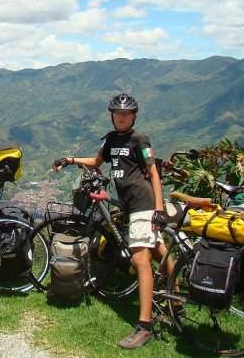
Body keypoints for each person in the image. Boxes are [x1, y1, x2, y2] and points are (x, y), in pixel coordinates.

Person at [52, 93, 172, 349]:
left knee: (140, 259)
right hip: (127, 205)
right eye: (117, 114)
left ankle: (144, 325)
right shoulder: (111, 140)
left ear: (133, 116)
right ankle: (180, 300)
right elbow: (96, 163)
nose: (121, 117)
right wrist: (71, 160)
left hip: (143, 202)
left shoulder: (139, 139)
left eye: (126, 114)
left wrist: (159, 208)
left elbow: (152, 171)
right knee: (159, 249)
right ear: (112, 115)